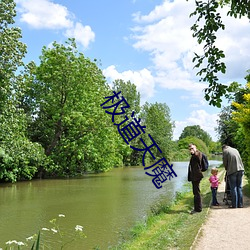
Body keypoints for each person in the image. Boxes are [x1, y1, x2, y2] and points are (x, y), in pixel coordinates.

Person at [188, 143, 204, 214]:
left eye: (192, 148)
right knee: (196, 192)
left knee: (196, 192)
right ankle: (197, 208)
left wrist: (194, 152)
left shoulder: (197, 154)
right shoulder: (194, 155)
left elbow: (198, 158)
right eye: (190, 149)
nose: (191, 150)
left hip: (196, 176)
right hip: (195, 176)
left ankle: (198, 209)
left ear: (195, 148)